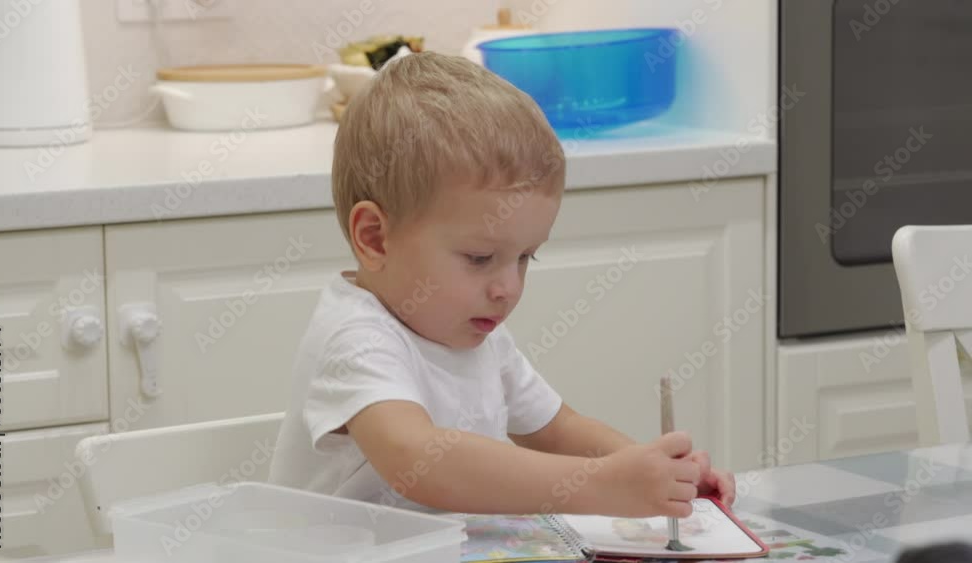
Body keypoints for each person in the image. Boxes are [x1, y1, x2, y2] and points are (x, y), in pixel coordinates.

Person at [268, 51, 736, 517]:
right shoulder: (356, 340)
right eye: (479, 258)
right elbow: (420, 460)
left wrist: (660, 474)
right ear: (374, 238)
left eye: (526, 257)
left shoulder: (473, 331)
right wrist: (604, 484)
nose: (508, 288)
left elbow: (557, 429)